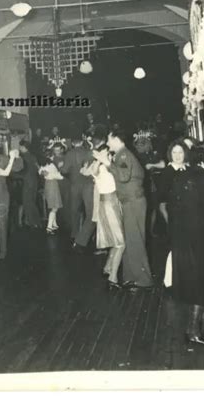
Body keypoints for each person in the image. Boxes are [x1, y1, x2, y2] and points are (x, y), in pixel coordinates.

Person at [159, 140, 204, 345]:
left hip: (185, 237)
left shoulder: (184, 177)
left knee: (197, 281)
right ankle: (193, 330)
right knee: (202, 282)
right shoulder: (203, 179)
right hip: (199, 238)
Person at [107, 128, 153, 290]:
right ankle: (132, 276)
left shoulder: (124, 154)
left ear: (116, 139)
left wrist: (108, 164)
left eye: (109, 139)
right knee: (131, 239)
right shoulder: (121, 154)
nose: (107, 143)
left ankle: (143, 280)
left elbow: (123, 176)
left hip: (133, 202)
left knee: (135, 240)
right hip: (130, 201)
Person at [83, 148, 125, 288]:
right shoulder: (102, 168)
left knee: (116, 240)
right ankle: (113, 278)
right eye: (108, 154)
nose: (111, 156)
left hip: (110, 203)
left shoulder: (106, 166)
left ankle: (107, 268)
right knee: (120, 243)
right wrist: (99, 159)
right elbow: (91, 172)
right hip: (109, 204)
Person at [72, 124, 108, 254]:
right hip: (93, 188)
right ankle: (83, 242)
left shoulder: (92, 153)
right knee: (94, 216)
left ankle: (88, 242)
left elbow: (84, 170)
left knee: (94, 216)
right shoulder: (96, 153)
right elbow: (86, 171)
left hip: (92, 188)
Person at [60, 133, 94, 241]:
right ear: (82, 141)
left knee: (75, 210)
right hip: (88, 185)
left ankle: (75, 234)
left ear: (73, 143)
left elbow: (64, 170)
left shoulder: (69, 154)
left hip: (75, 185)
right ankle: (88, 235)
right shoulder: (88, 152)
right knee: (89, 212)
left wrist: (64, 170)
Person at [18, 140, 42, 228]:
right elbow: (38, 168)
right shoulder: (33, 156)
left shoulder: (23, 157)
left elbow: (20, 171)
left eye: (20, 147)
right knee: (32, 201)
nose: (19, 148)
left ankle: (34, 222)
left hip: (27, 182)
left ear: (24, 147)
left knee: (27, 202)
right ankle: (35, 221)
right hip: (34, 181)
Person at [38, 157, 63, 235]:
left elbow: (40, 172)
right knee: (55, 207)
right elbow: (60, 176)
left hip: (47, 185)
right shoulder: (52, 165)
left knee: (53, 205)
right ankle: (49, 227)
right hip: (53, 185)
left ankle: (54, 225)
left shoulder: (42, 166)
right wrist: (60, 168)